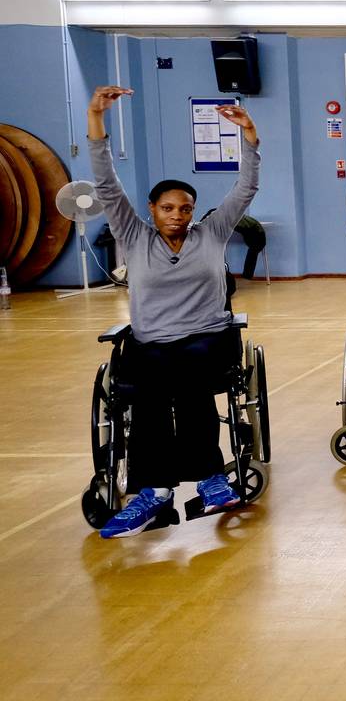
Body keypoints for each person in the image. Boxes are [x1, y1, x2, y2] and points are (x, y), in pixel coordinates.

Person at [85, 85, 260, 537]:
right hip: (153, 342)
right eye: (167, 207)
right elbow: (106, 183)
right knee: (148, 392)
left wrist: (249, 137)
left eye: (185, 207)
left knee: (188, 381)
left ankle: (209, 478)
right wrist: (96, 119)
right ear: (152, 210)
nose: (177, 214)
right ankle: (154, 492)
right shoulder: (133, 235)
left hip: (207, 337)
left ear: (194, 211)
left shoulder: (212, 232)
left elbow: (245, 189)